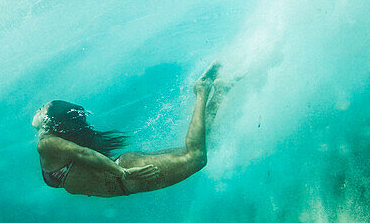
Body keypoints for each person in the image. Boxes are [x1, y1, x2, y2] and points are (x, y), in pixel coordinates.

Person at [33, 64, 227, 197]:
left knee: (196, 157)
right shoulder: (53, 143)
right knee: (195, 151)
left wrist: (123, 172)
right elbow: (82, 155)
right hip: (126, 175)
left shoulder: (47, 144)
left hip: (128, 177)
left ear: (51, 119)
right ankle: (220, 92)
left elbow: (82, 152)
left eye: (42, 108)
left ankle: (202, 90)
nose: (38, 109)